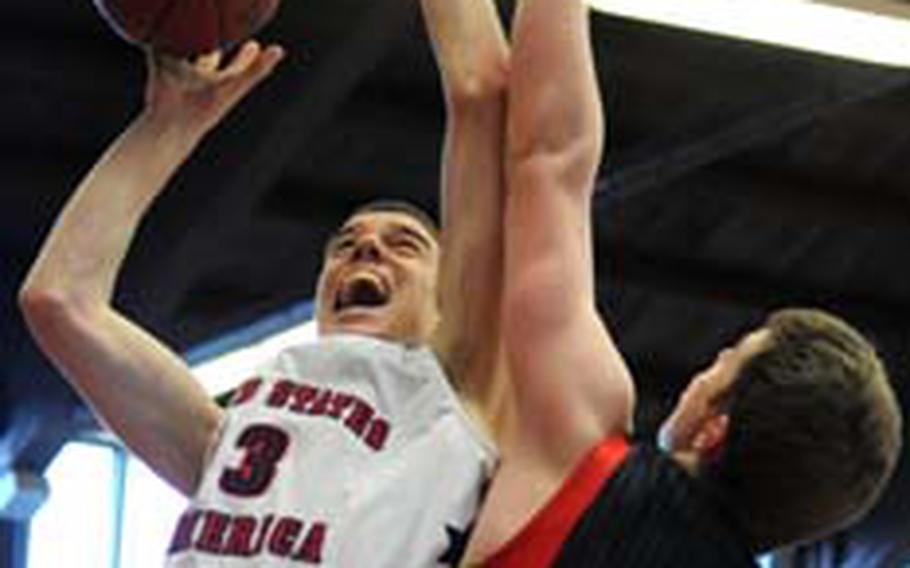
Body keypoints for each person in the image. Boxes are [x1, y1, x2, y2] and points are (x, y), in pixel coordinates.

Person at [19, 22, 509, 566]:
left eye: (405, 245)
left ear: (447, 296)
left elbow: (480, 94)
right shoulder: (230, 434)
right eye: (345, 244)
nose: (366, 250)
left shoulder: (455, 387)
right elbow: (60, 300)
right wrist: (164, 128)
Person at [449, 0, 904, 565]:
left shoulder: (584, 444)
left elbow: (549, 158)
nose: (703, 368)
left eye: (726, 360)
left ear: (714, 429)